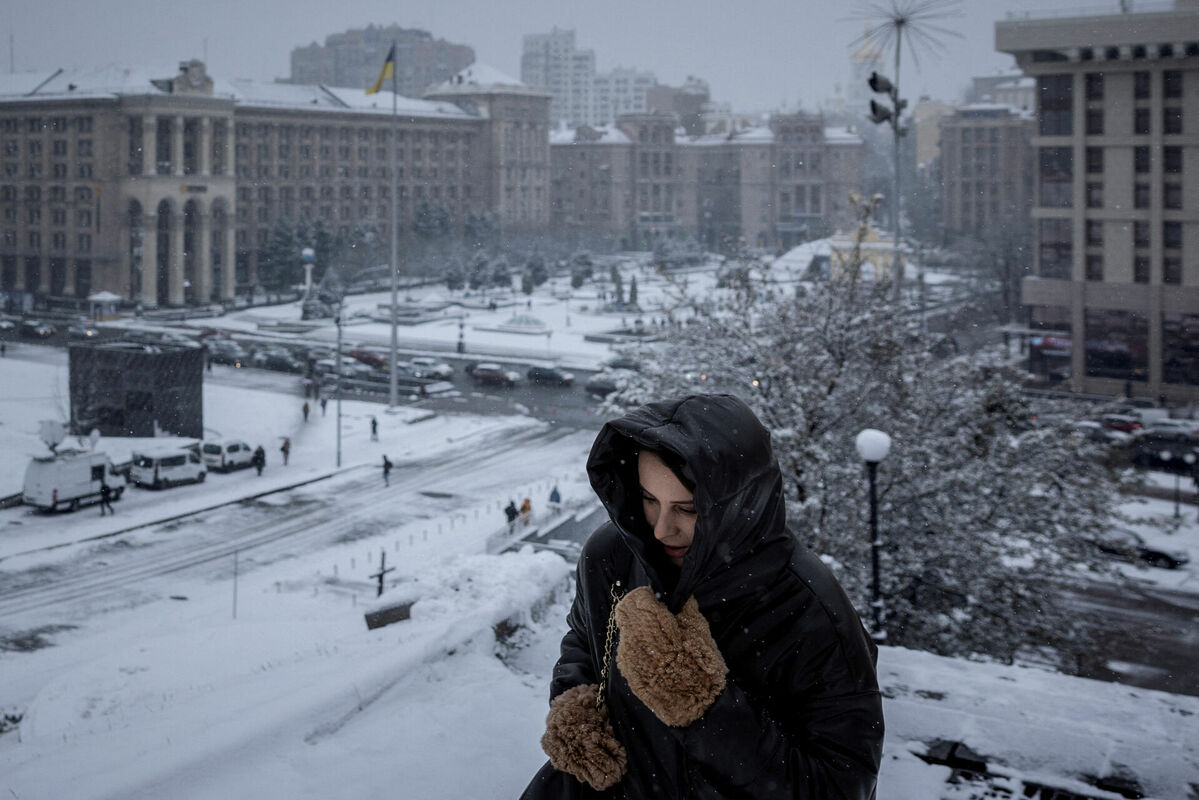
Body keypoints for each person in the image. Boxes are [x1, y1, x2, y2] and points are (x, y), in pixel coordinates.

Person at [521, 394, 883, 799]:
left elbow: (840, 786)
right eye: (649, 499)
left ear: (741, 505)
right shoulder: (613, 554)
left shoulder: (811, 610)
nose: (661, 530)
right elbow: (584, 638)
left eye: (688, 509)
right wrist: (575, 704)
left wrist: (703, 706)